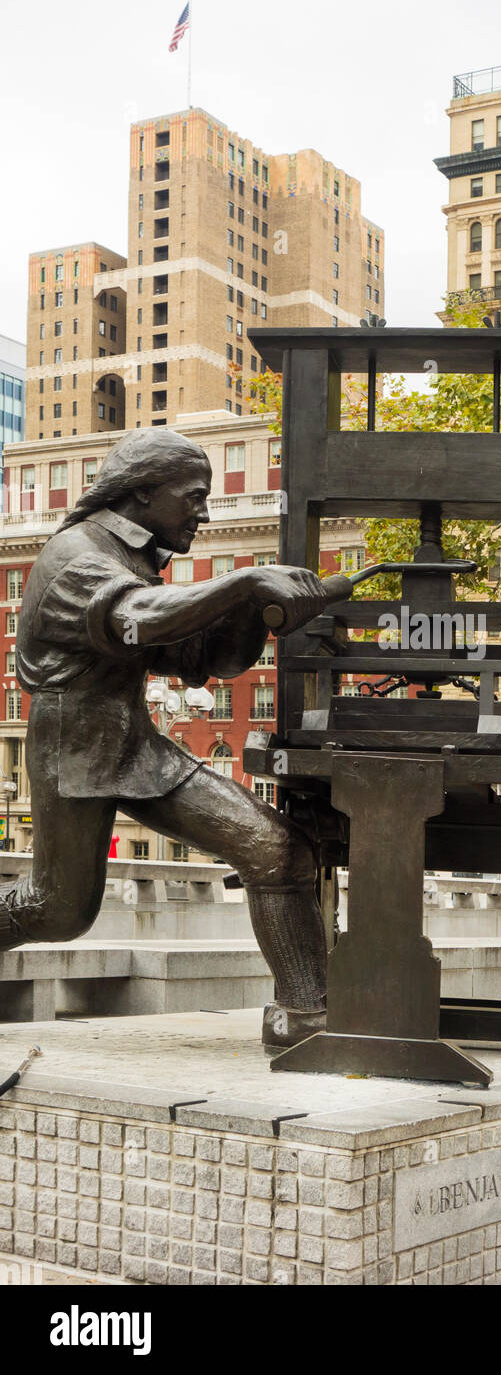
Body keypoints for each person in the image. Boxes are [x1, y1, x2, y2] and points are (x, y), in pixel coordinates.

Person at [0, 427, 331, 1051]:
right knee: (60, 909)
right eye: (195, 496)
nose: (204, 512)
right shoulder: (76, 554)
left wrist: (261, 614)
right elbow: (137, 619)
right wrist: (246, 583)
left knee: (276, 849)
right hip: (72, 744)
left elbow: (207, 661)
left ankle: (308, 1020)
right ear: (145, 492)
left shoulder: (138, 559)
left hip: (133, 740)